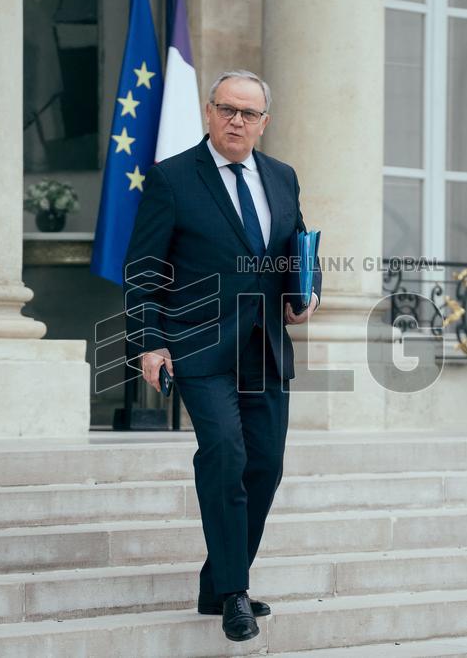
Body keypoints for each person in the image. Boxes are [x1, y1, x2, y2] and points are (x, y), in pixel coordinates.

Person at [122, 70, 321, 642]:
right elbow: (145, 269)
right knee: (226, 455)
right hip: (197, 345)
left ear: (264, 122)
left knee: (266, 465)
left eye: (249, 113)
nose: (237, 121)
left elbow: (295, 249)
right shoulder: (172, 179)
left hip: (265, 348)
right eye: (227, 109)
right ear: (209, 113)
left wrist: (305, 293)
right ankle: (234, 593)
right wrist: (150, 341)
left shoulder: (282, 178)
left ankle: (218, 580)